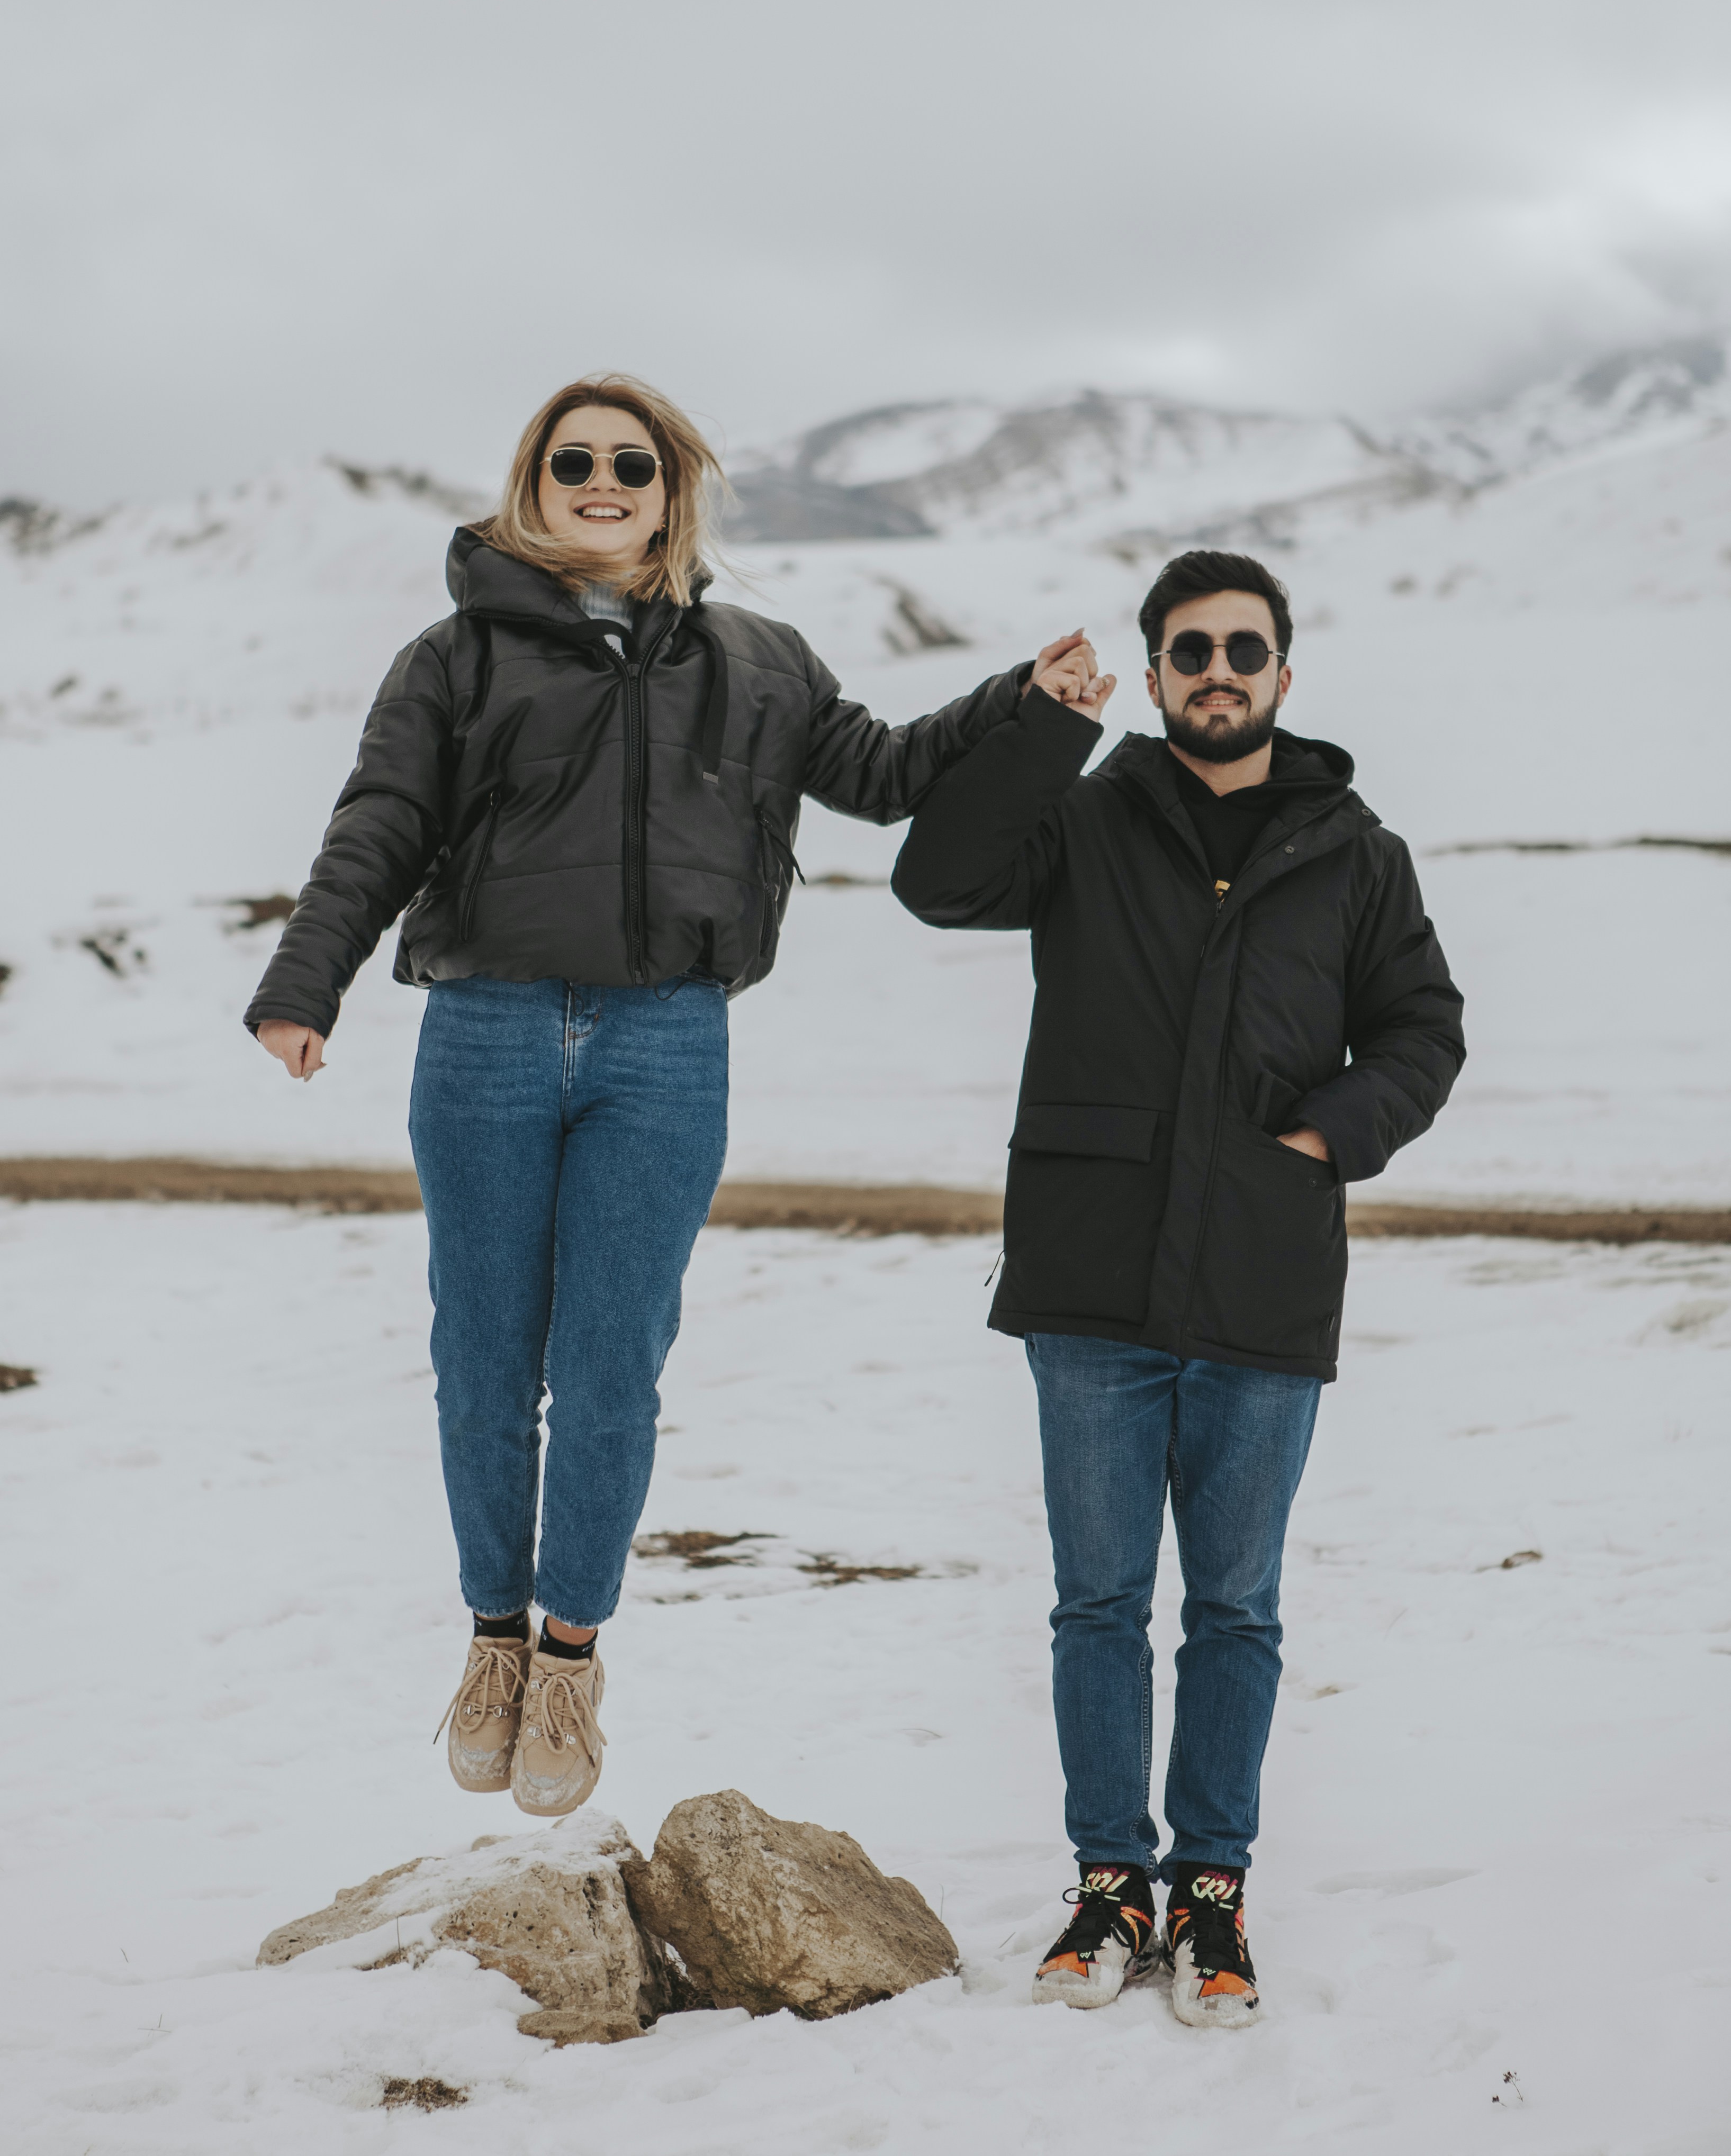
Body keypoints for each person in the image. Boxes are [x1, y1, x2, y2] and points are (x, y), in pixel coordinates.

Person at [245, 372, 1093, 1816]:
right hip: (489, 1031)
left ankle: (571, 1654)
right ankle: (494, 1642)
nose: (599, 480)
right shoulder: (450, 659)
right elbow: (381, 823)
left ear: (669, 488)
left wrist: (1025, 707)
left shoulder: (758, 663)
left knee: (616, 1366)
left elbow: (886, 775)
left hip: (666, 1044)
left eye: (627, 463)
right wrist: (303, 981)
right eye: (569, 459)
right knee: (483, 1361)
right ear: (532, 480)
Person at [891, 549, 1465, 2026]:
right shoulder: (1085, 815)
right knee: (1096, 1603)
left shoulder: (1358, 852)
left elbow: (1424, 1031)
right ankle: (1106, 1885)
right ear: (1154, 676)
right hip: (1090, 1278)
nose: (1219, 670)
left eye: (1245, 649)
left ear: (1285, 673)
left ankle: (1210, 1888)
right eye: (1191, 650)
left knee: (1236, 1610)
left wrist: (1326, 1133)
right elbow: (936, 879)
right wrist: (1035, 726)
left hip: (1266, 1275)